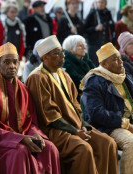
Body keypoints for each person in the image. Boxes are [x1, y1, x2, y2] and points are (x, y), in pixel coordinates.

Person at [25, 35, 118, 174]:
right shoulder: (37, 77)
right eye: (57, 53)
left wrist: (83, 126)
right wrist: (75, 131)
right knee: (83, 149)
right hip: (54, 130)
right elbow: (49, 115)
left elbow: (76, 104)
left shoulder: (64, 74)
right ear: (45, 58)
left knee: (107, 143)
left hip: (76, 126)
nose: (63, 55)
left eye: (62, 51)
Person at [0, 42, 61, 174]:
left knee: (50, 148)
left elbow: (31, 122)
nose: (12, 66)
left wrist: (36, 135)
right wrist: (21, 139)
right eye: (6, 62)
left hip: (24, 136)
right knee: (20, 151)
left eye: (15, 62)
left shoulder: (24, 89)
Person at [81, 42, 133, 174]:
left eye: (120, 58)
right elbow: (96, 113)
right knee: (131, 143)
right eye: (115, 59)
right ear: (104, 64)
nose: (121, 62)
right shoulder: (94, 80)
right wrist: (125, 124)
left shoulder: (123, 75)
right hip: (109, 126)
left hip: (128, 121)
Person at [62, 35, 95, 99]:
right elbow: (77, 82)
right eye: (80, 46)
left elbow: (96, 72)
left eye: (84, 45)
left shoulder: (85, 59)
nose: (84, 47)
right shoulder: (66, 63)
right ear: (71, 49)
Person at [84, 0, 114, 66]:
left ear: (105, 4)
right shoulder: (92, 14)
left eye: (102, 2)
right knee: (94, 64)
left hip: (105, 44)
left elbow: (111, 28)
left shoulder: (108, 13)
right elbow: (85, 29)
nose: (100, 4)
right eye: (98, 2)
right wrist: (95, 28)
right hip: (94, 44)